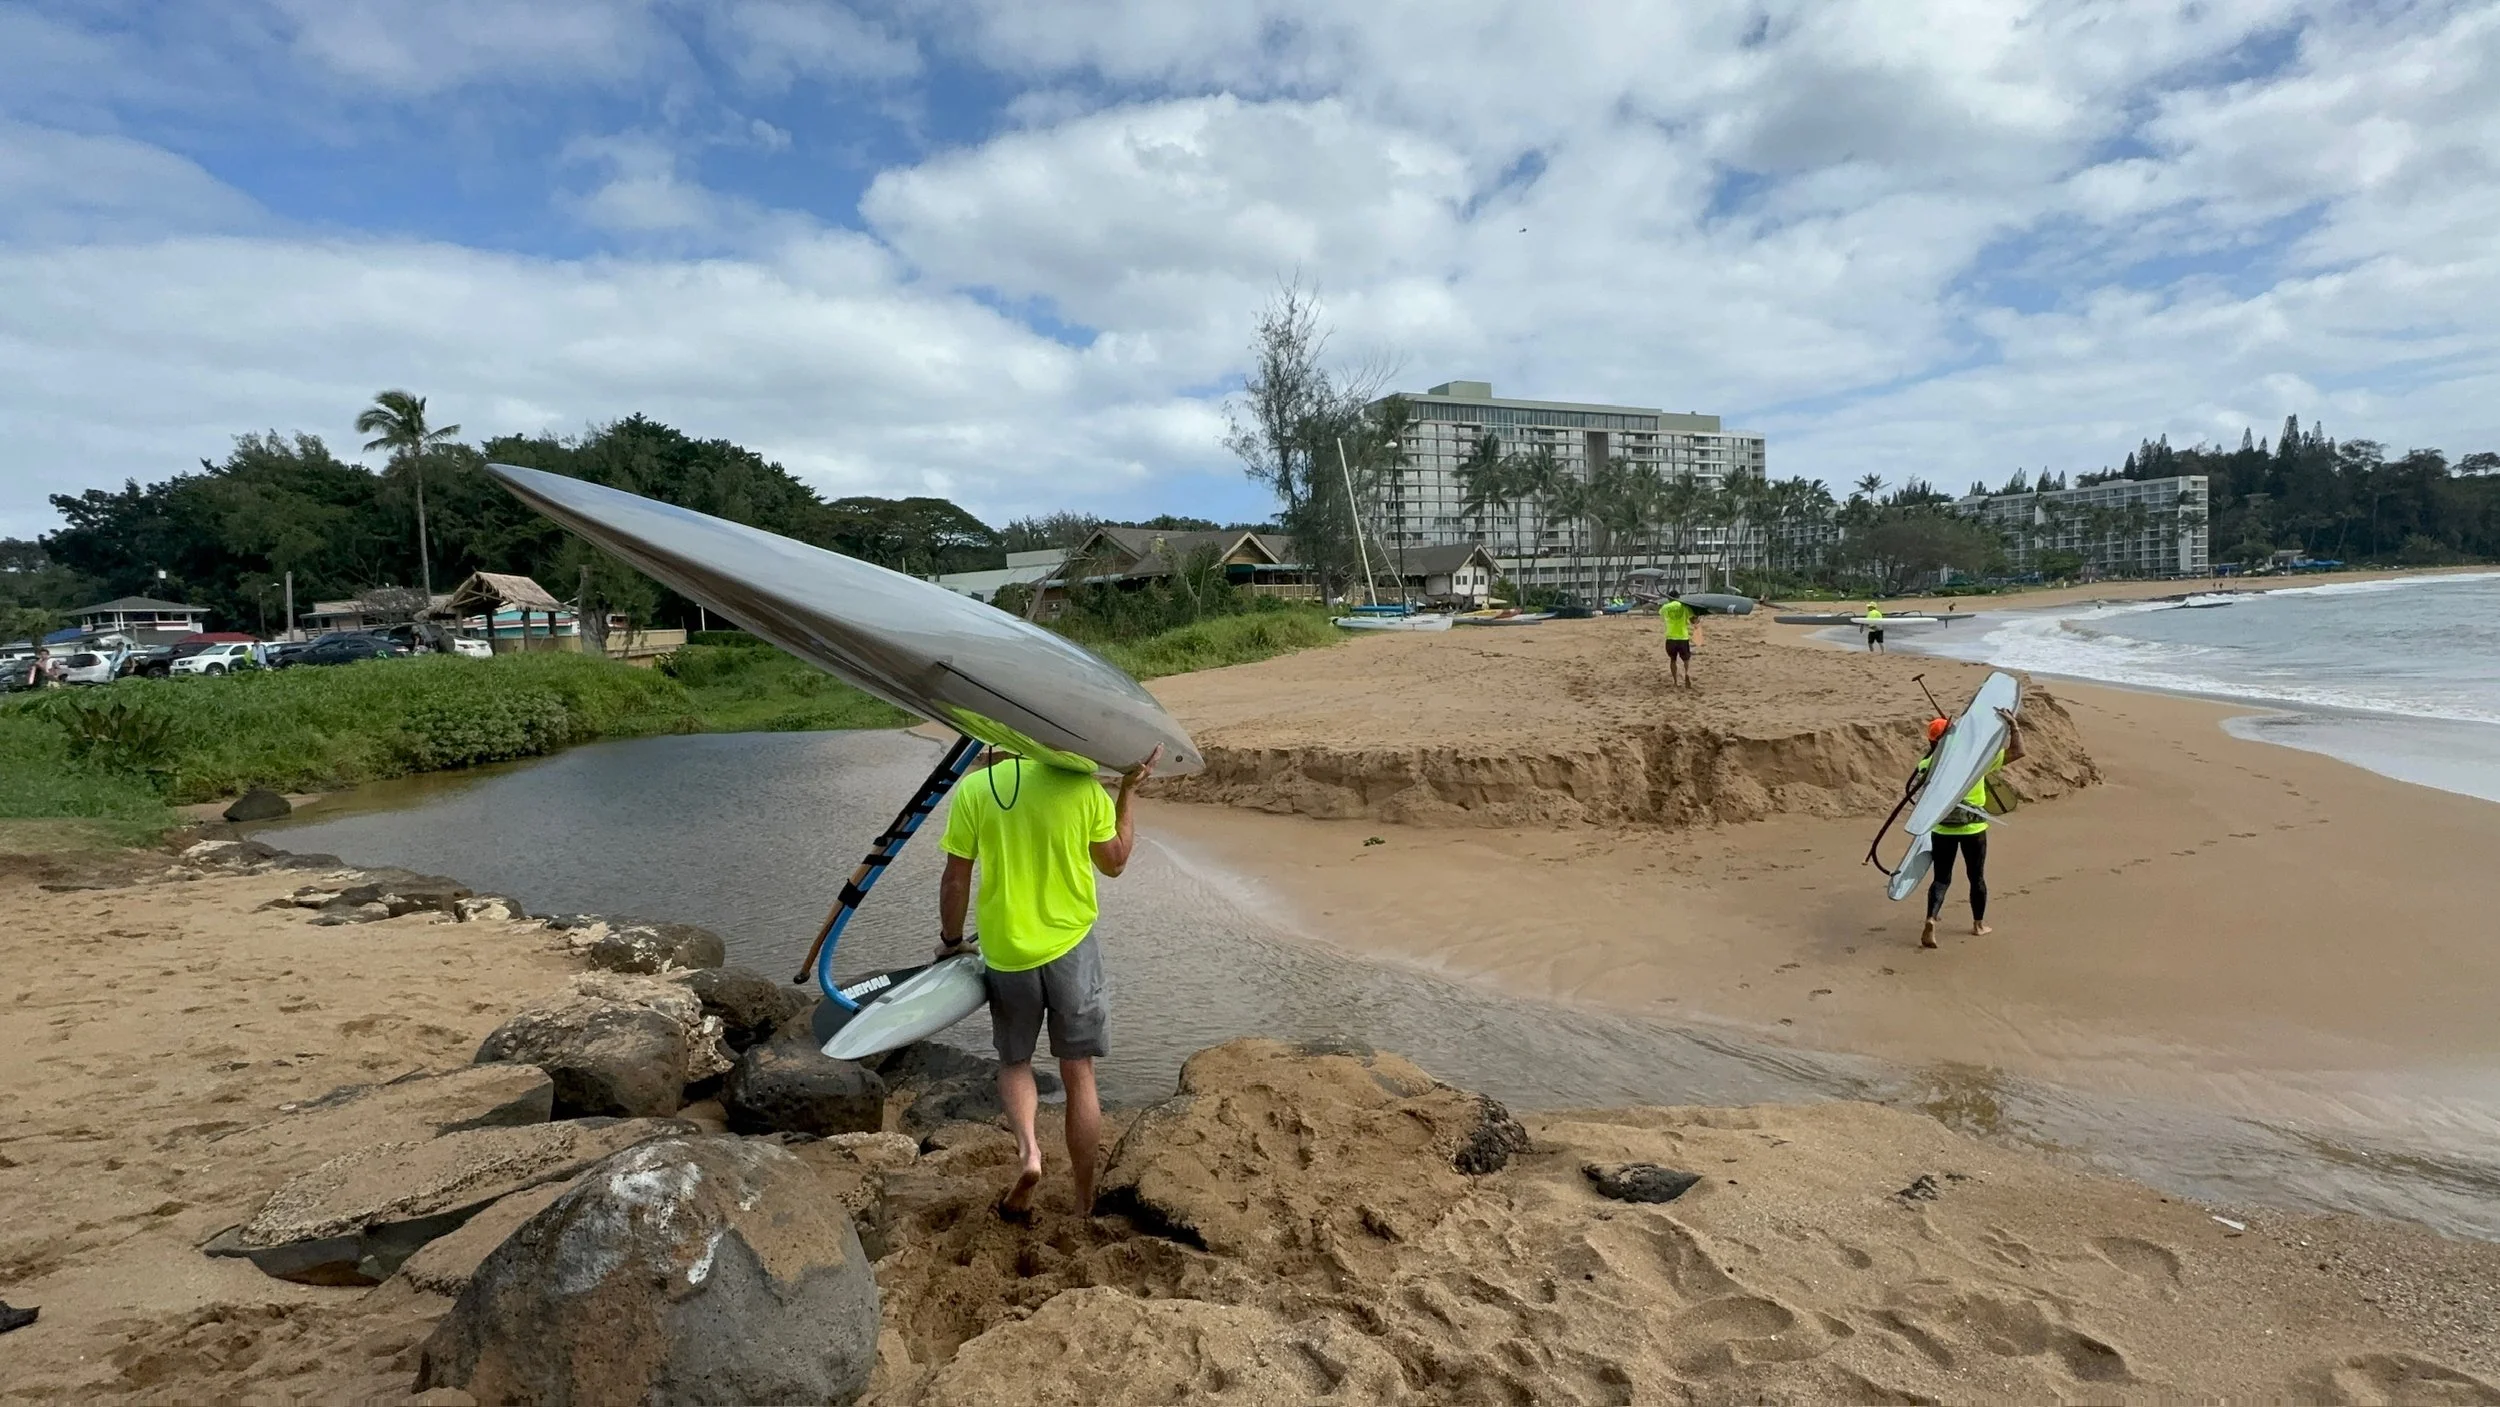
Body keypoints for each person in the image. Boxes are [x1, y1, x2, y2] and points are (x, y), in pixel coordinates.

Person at [936, 742, 1159, 1222]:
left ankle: (1030, 1153)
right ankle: (1082, 1201)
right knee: (1078, 1072)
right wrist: (1126, 795)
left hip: (1008, 953)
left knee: (1014, 1061)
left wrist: (952, 941)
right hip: (1071, 949)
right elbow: (1115, 862)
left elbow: (955, 879)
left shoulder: (976, 789)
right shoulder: (1082, 787)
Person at [1918, 708, 2023, 949]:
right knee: (1976, 877)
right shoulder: (1975, 761)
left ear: (1931, 741)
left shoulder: (1926, 764)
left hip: (1942, 829)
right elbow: (2019, 751)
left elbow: (1926, 782)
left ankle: (1931, 918)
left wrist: (1938, 747)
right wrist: (2013, 727)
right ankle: (1978, 925)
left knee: (1941, 879)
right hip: (1973, 829)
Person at [1658, 591, 1698, 687]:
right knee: (1686, 659)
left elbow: (1662, 616)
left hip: (1670, 637)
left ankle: (1675, 682)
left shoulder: (1665, 607)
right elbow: (1693, 620)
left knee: (1673, 660)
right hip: (1683, 637)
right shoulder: (1685, 607)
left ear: (1669, 598)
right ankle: (1687, 673)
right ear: (1679, 597)